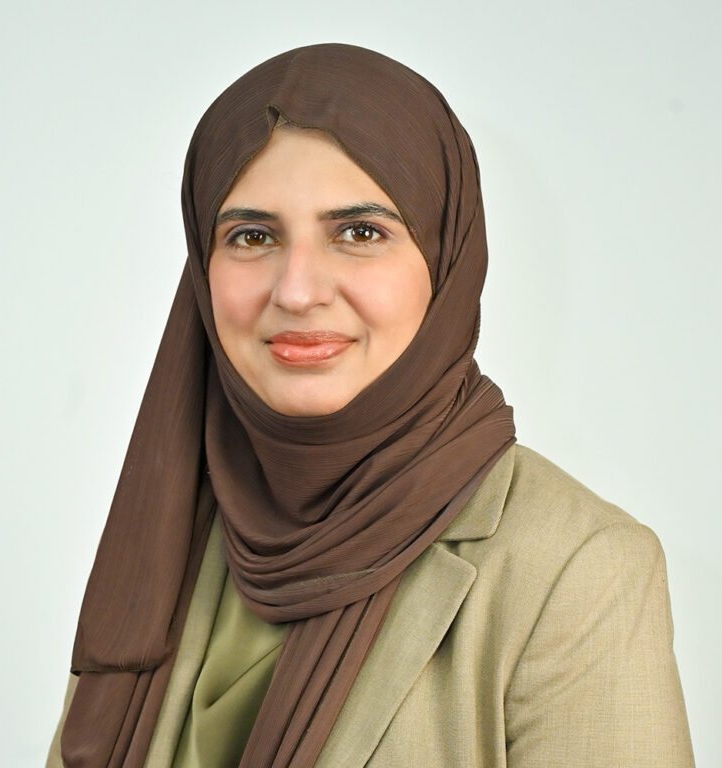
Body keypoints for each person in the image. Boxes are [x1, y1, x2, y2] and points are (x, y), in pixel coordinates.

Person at [46, 43, 695, 767]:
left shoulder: (578, 571)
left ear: (445, 261)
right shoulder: (168, 533)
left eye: (360, 233)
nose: (297, 291)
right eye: (253, 236)